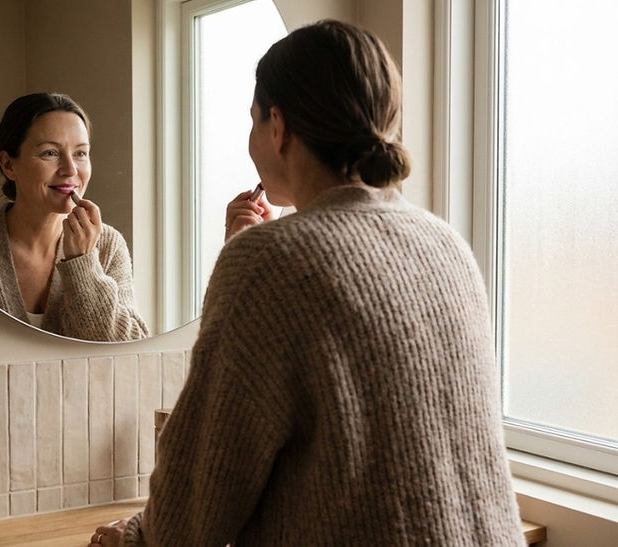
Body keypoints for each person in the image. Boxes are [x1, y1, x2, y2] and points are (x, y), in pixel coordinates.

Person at [89, 20, 524, 546]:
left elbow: (193, 508)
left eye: (253, 121)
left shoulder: (268, 263)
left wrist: (133, 539)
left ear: (279, 126)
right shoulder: (445, 244)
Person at [0, 93, 149, 342]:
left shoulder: (108, 246)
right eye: (50, 153)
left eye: (81, 153)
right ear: (8, 165)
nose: (70, 170)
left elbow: (127, 349)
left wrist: (83, 263)